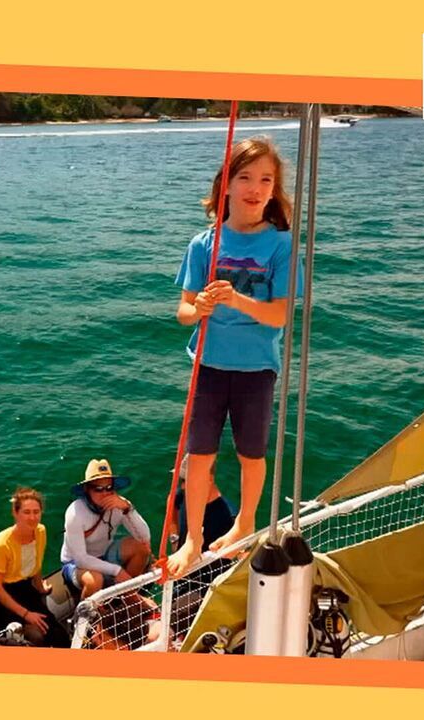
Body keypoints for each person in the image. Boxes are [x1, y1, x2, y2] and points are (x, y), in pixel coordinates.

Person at [168, 136, 297, 578]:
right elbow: (184, 312)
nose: (255, 188)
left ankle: (245, 522)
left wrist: (237, 300)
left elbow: (280, 315)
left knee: (250, 453)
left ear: (275, 189)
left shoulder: (281, 245)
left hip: (256, 368)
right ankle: (193, 539)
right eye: (245, 177)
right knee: (199, 455)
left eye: (266, 180)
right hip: (208, 365)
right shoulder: (203, 245)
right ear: (225, 184)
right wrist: (200, 308)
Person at [0, 487, 70, 647]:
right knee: (36, 637)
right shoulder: (1, 545)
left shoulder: (40, 531)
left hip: (24, 589)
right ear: (15, 512)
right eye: (26, 512)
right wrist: (26, 614)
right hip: (0, 596)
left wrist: (40, 587)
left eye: (36, 512)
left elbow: (36, 562)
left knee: (60, 636)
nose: (32, 517)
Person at [60, 458, 152, 599]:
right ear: (87, 490)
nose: (105, 493)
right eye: (98, 489)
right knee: (94, 580)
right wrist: (117, 570)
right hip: (75, 564)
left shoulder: (120, 504)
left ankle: (124, 599)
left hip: (105, 553)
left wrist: (128, 510)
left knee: (141, 548)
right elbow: (81, 559)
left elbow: (144, 538)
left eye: (109, 488)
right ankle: (89, 611)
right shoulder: (75, 512)